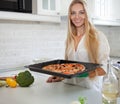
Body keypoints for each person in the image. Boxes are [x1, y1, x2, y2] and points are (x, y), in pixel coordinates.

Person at [47, 0, 110, 91]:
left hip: (89, 90)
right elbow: (69, 67)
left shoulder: (98, 37)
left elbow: (104, 68)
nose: (77, 17)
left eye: (81, 12)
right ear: (70, 16)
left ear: (87, 15)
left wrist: (84, 74)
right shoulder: (70, 38)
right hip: (69, 88)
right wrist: (61, 77)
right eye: (73, 13)